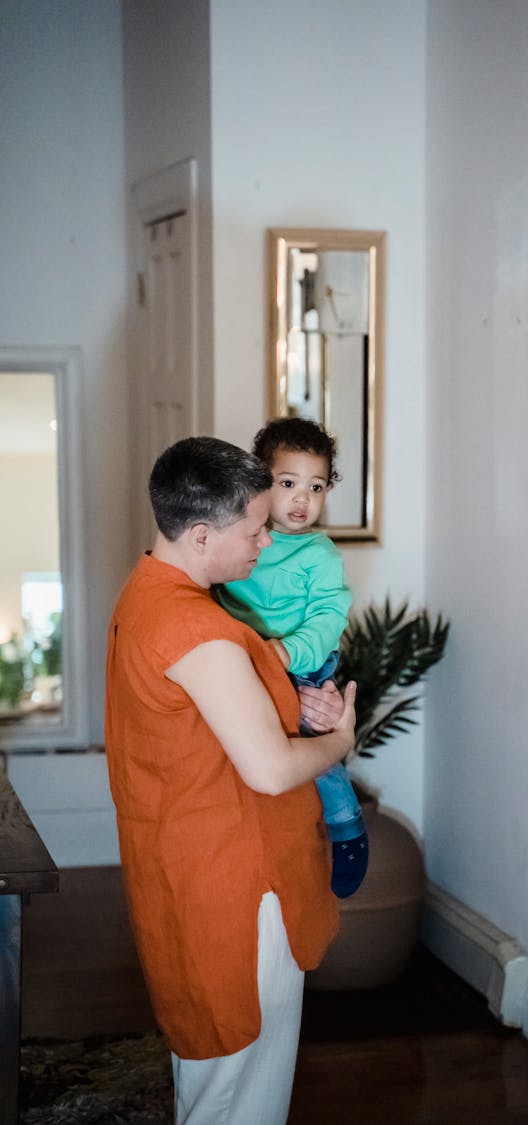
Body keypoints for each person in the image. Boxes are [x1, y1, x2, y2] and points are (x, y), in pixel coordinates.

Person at [104, 435, 356, 1125]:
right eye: (254, 529)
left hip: (189, 867)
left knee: (215, 1082)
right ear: (202, 532)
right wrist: (340, 738)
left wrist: (300, 705)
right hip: (238, 885)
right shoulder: (197, 628)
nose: (266, 544)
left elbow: (218, 727)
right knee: (239, 1092)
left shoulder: (147, 593)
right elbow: (271, 770)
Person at [214, 417, 368, 899]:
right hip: (248, 660)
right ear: (260, 482)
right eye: (288, 483)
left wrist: (285, 652)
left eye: (316, 487)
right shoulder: (238, 536)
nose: (302, 500)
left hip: (302, 663)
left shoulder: (317, 553)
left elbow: (328, 617)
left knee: (310, 749)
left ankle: (347, 828)